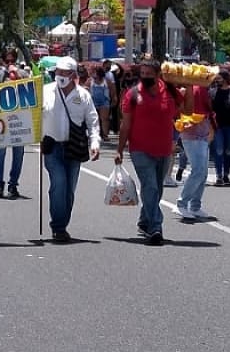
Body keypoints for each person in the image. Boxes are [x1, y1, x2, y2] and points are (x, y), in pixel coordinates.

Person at [115, 59, 177, 245]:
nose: (145, 77)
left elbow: (186, 109)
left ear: (158, 74)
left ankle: (144, 220)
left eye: (149, 74)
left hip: (164, 149)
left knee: (157, 190)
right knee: (150, 186)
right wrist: (119, 150)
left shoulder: (170, 91)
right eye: (143, 74)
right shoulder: (133, 94)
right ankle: (155, 227)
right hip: (140, 149)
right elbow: (125, 124)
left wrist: (189, 87)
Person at [41, 56, 101, 242]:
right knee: (58, 184)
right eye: (58, 72)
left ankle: (62, 224)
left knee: (69, 189)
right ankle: (58, 227)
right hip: (52, 147)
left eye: (65, 73)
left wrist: (95, 143)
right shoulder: (44, 91)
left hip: (74, 148)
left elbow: (93, 122)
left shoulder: (83, 95)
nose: (60, 75)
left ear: (73, 75)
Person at [174, 83, 213, 222]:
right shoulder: (187, 90)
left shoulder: (206, 90)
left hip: (203, 134)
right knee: (197, 170)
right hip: (191, 135)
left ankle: (195, 206)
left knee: (203, 172)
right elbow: (181, 110)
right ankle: (182, 203)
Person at [0, 50, 25, 197]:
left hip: (19, 119)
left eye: (12, 61)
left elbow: (27, 85)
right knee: (0, 152)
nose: (10, 63)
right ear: (3, 61)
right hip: (2, 119)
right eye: (7, 61)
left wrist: (16, 73)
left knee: (18, 153)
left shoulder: (22, 73)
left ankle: (13, 184)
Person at [89, 64, 115, 144]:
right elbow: (84, 88)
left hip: (104, 101)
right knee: (94, 119)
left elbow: (112, 90)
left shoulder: (106, 81)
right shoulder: (90, 81)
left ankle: (105, 135)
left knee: (105, 119)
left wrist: (114, 98)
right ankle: (95, 134)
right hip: (93, 101)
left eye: (94, 72)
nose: (92, 73)